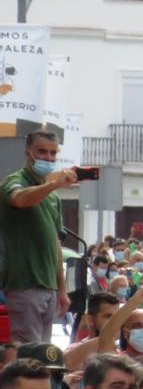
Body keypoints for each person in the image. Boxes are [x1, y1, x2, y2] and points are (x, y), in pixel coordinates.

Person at [0, 130, 74, 342]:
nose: (48, 158)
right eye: (42, 152)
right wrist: (54, 184)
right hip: (25, 282)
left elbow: (56, 244)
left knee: (44, 356)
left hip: (49, 286)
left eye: (53, 153)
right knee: (28, 355)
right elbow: (19, 199)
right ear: (28, 153)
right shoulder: (15, 181)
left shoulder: (54, 197)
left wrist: (62, 290)